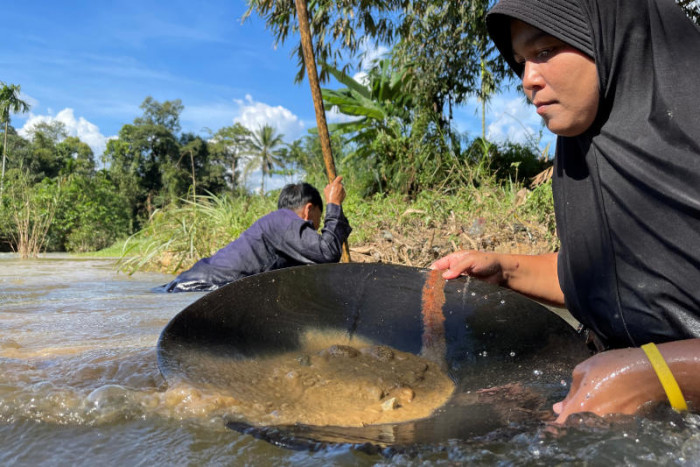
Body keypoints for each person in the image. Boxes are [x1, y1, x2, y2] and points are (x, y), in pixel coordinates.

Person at [432, 0, 700, 422]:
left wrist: (653, 374)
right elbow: (609, 278)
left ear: (611, 37)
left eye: (543, 52)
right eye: (521, 61)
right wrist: (504, 270)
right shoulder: (582, 155)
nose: (527, 80)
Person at [158, 176, 351, 293]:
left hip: (194, 282)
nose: (316, 229)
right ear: (309, 210)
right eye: (319, 219)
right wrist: (334, 203)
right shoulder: (284, 221)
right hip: (202, 286)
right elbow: (327, 253)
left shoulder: (279, 224)